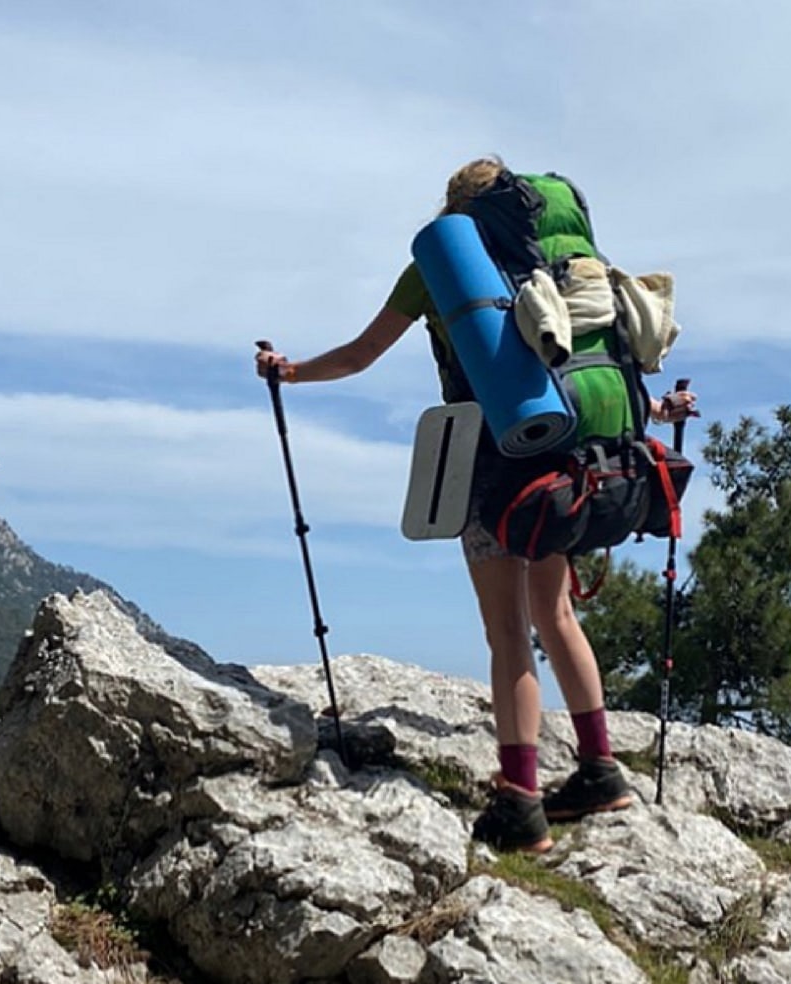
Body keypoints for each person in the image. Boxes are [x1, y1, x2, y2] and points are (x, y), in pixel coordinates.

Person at [256, 157, 697, 853]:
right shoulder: (566, 266)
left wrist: (292, 371)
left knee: (506, 632)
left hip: (497, 470)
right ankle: (600, 771)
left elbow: (364, 353)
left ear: (455, 211)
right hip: (574, 459)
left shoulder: (446, 264)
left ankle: (520, 803)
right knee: (555, 615)